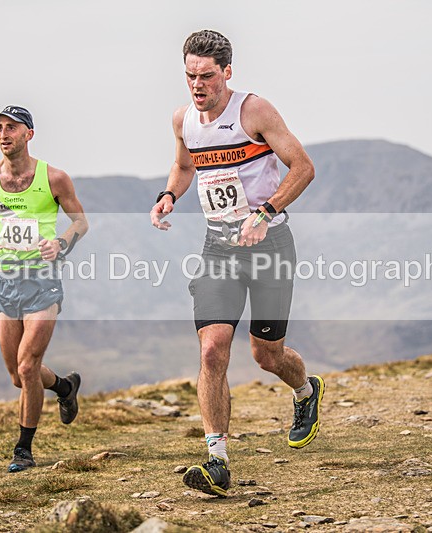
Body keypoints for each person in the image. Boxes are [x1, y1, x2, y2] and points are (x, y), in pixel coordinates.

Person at [150, 29, 323, 497]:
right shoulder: (183, 119)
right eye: (190, 76)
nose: (198, 85)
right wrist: (169, 195)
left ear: (227, 72)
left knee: (267, 355)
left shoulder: (254, 111)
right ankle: (216, 459)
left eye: (207, 75)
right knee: (212, 349)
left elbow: (303, 167)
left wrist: (265, 213)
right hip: (219, 248)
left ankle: (306, 391)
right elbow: (185, 167)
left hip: (270, 245)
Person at [0, 105, 89, 472]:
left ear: (29, 134)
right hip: (5, 283)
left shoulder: (54, 178)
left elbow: (80, 222)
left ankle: (23, 450)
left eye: (12, 128)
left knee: (27, 363)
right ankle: (65, 388)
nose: (4, 135)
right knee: (19, 377)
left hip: (43, 282)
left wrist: (62, 244)